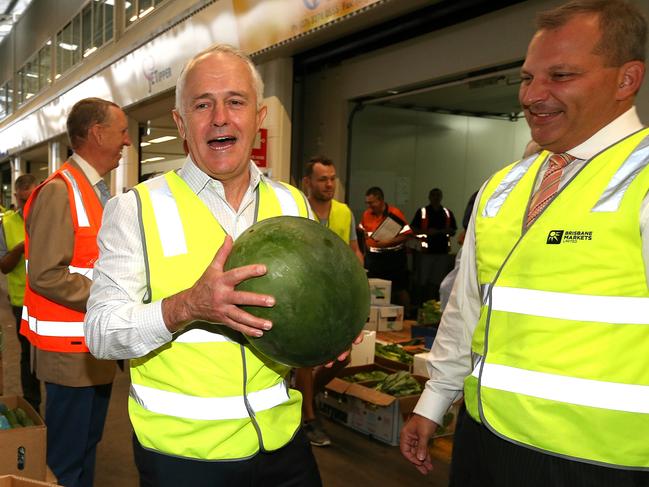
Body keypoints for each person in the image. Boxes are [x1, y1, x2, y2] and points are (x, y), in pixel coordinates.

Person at [400, 1, 649, 485]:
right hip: (484, 442)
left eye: (560, 76)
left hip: (600, 463)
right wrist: (433, 402)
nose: (533, 95)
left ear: (626, 79)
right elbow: (466, 310)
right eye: (527, 77)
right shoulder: (503, 187)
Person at [84, 45, 352, 486]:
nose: (220, 117)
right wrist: (186, 307)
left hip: (282, 443)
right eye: (202, 104)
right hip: (183, 455)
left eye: (235, 101)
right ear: (181, 123)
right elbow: (100, 333)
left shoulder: (292, 204)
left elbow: (315, 301)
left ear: (259, 116)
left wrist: (330, 332)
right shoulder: (136, 208)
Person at [20, 97, 129, 487]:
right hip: (69, 354)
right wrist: (110, 295)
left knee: (86, 447)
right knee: (67, 459)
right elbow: (46, 274)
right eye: (122, 132)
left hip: (91, 347)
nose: (127, 142)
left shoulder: (93, 190)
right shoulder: (60, 191)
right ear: (97, 134)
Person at [295, 156, 362, 447]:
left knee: (343, 355)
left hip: (336, 298)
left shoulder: (345, 212)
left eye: (333, 178)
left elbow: (353, 249)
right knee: (306, 360)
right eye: (323, 179)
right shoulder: (295, 208)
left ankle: (302, 398)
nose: (330, 184)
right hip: (305, 296)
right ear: (307, 182)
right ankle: (309, 419)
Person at [0, 174, 39, 411]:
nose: (26, 205)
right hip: (21, 302)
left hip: (52, 301)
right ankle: (33, 404)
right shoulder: (7, 225)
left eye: (31, 198)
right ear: (15, 197)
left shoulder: (52, 219)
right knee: (28, 356)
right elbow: (3, 266)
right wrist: (21, 247)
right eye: (22, 200)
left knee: (50, 358)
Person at [360, 186, 412, 307]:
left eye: (371, 203)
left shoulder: (395, 213)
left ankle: (406, 315)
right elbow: (362, 233)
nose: (369, 206)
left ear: (380, 200)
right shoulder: (366, 214)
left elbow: (406, 235)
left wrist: (387, 242)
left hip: (394, 258)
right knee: (374, 288)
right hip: (374, 259)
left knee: (398, 289)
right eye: (367, 203)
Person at [410, 188, 457, 303]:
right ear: (429, 197)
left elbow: (453, 230)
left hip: (442, 252)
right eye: (433, 195)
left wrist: (444, 231)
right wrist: (426, 232)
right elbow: (413, 229)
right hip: (425, 252)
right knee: (422, 281)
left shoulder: (447, 212)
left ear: (441, 197)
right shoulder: (422, 212)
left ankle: (434, 304)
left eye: (438, 195)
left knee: (437, 282)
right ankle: (420, 304)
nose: (436, 197)